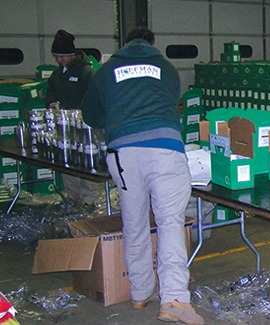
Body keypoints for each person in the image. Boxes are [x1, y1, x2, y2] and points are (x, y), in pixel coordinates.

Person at [80, 27, 203, 324]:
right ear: (151, 44)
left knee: (133, 221)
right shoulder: (166, 67)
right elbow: (172, 101)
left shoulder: (106, 70)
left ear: (124, 45)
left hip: (123, 153)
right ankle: (173, 299)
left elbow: (91, 116)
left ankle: (139, 293)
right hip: (163, 149)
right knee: (169, 222)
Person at [45, 29, 101, 205]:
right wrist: (51, 102)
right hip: (64, 124)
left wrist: (78, 112)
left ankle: (89, 199)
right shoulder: (57, 74)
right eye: (57, 57)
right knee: (67, 160)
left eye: (63, 57)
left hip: (85, 125)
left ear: (72, 55)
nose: (60, 60)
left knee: (86, 161)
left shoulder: (85, 72)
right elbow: (50, 91)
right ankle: (72, 196)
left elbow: (94, 96)